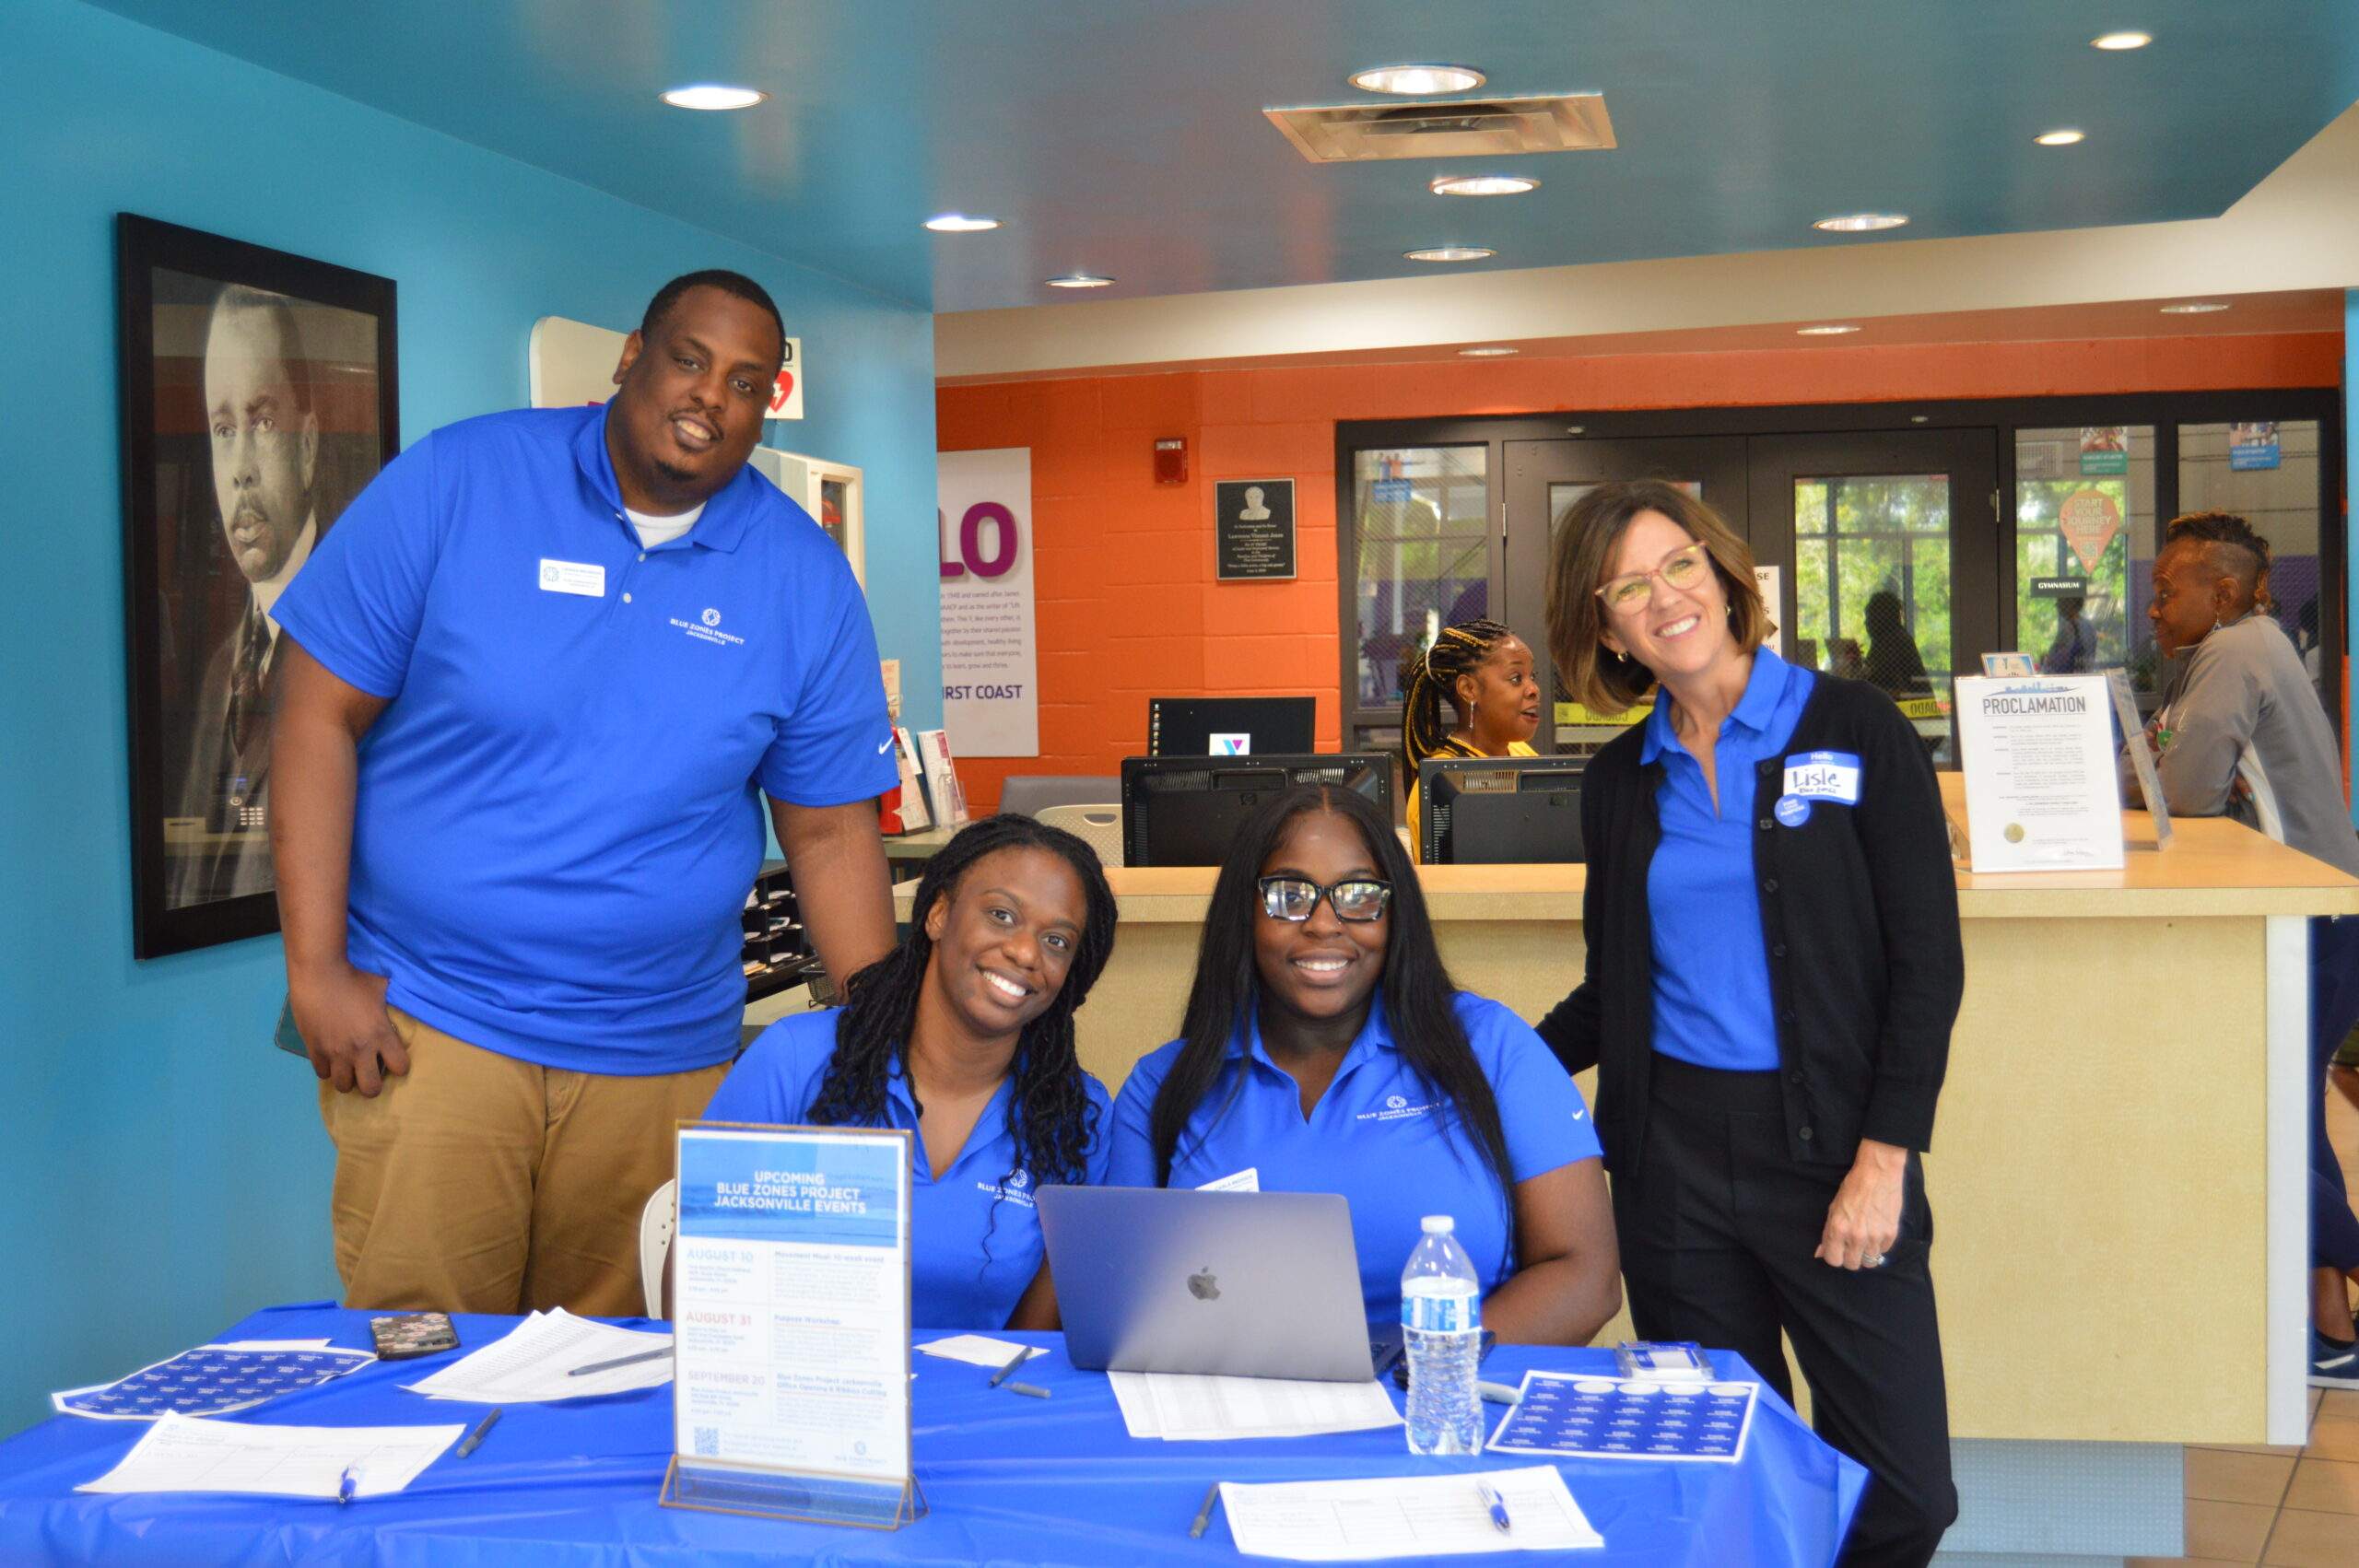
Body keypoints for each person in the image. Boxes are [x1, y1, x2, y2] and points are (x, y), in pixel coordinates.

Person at [270, 269, 900, 1317]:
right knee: (424, 1366)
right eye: (689, 360)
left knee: (623, 1380)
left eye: (746, 382)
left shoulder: (803, 577)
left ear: (767, 404)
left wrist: (877, 1036)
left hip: (663, 1051)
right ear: (631, 358)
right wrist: (315, 969)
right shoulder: (463, 481)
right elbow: (310, 715)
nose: (709, 396)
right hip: (434, 1024)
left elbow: (832, 832)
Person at [1538, 479, 1963, 1566]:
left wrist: (1885, 1158)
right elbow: (1613, 990)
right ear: (1604, 625)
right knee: (1725, 1474)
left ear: (1724, 572)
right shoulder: (1621, 781)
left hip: (1833, 1153)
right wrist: (1489, 1068)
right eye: (1627, 586)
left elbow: (1926, 965)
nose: (1663, 598)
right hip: (1671, 1163)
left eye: (1678, 564)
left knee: (1905, 1490)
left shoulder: (1855, 726)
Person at [1108, 784, 1621, 1342]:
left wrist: (1409, 1378)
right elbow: (1126, 1301)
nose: (1325, 923)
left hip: (1444, 1403)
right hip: (1239, 1407)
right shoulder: (1163, 1086)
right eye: (1288, 894)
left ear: (1395, 911)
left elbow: (1585, 1277)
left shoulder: (1491, 1048)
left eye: (1358, 894)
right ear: (1244, 913)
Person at [702, 815, 1119, 1328]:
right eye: (1001, 915)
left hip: (979, 1402)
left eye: (1057, 941)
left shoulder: (1078, 1115)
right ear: (939, 914)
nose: (1026, 952)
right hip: (800, 1394)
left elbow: (1039, 1341)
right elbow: (707, 1278)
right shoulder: (793, 1060)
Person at [2137, 509, 2359, 1387]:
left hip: (2315, 922)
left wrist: (2134, 773)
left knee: (2278, 1116)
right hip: (2325, 915)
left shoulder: (2231, 653)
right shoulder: (2246, 645)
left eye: (2166, 592)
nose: (2152, 610)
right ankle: (2330, 1324)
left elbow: (2181, 786)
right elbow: (2164, 763)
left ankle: (2334, 1322)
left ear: (2221, 591)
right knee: (2291, 1115)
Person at [170, 285, 323, 907]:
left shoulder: (358, 649)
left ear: (307, 444)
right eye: (222, 429)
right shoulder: (217, 677)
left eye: (260, 422)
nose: (239, 468)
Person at [1398, 618, 1542, 859]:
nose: (1533, 689)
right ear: (1469, 689)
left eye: (1532, 676)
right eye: (1516, 678)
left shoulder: (1521, 752)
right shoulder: (1439, 788)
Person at [1861, 590, 1931, 699]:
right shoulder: (1895, 638)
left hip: (1907, 710)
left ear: (1879, 618)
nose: (1865, 623)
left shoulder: (1891, 642)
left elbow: (1873, 679)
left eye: (1869, 618)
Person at [2039, 595, 2098, 674]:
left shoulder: (2070, 630)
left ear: (2070, 604)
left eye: (2060, 601)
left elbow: (2060, 662)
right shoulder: (2088, 626)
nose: (2056, 605)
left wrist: (2046, 661)